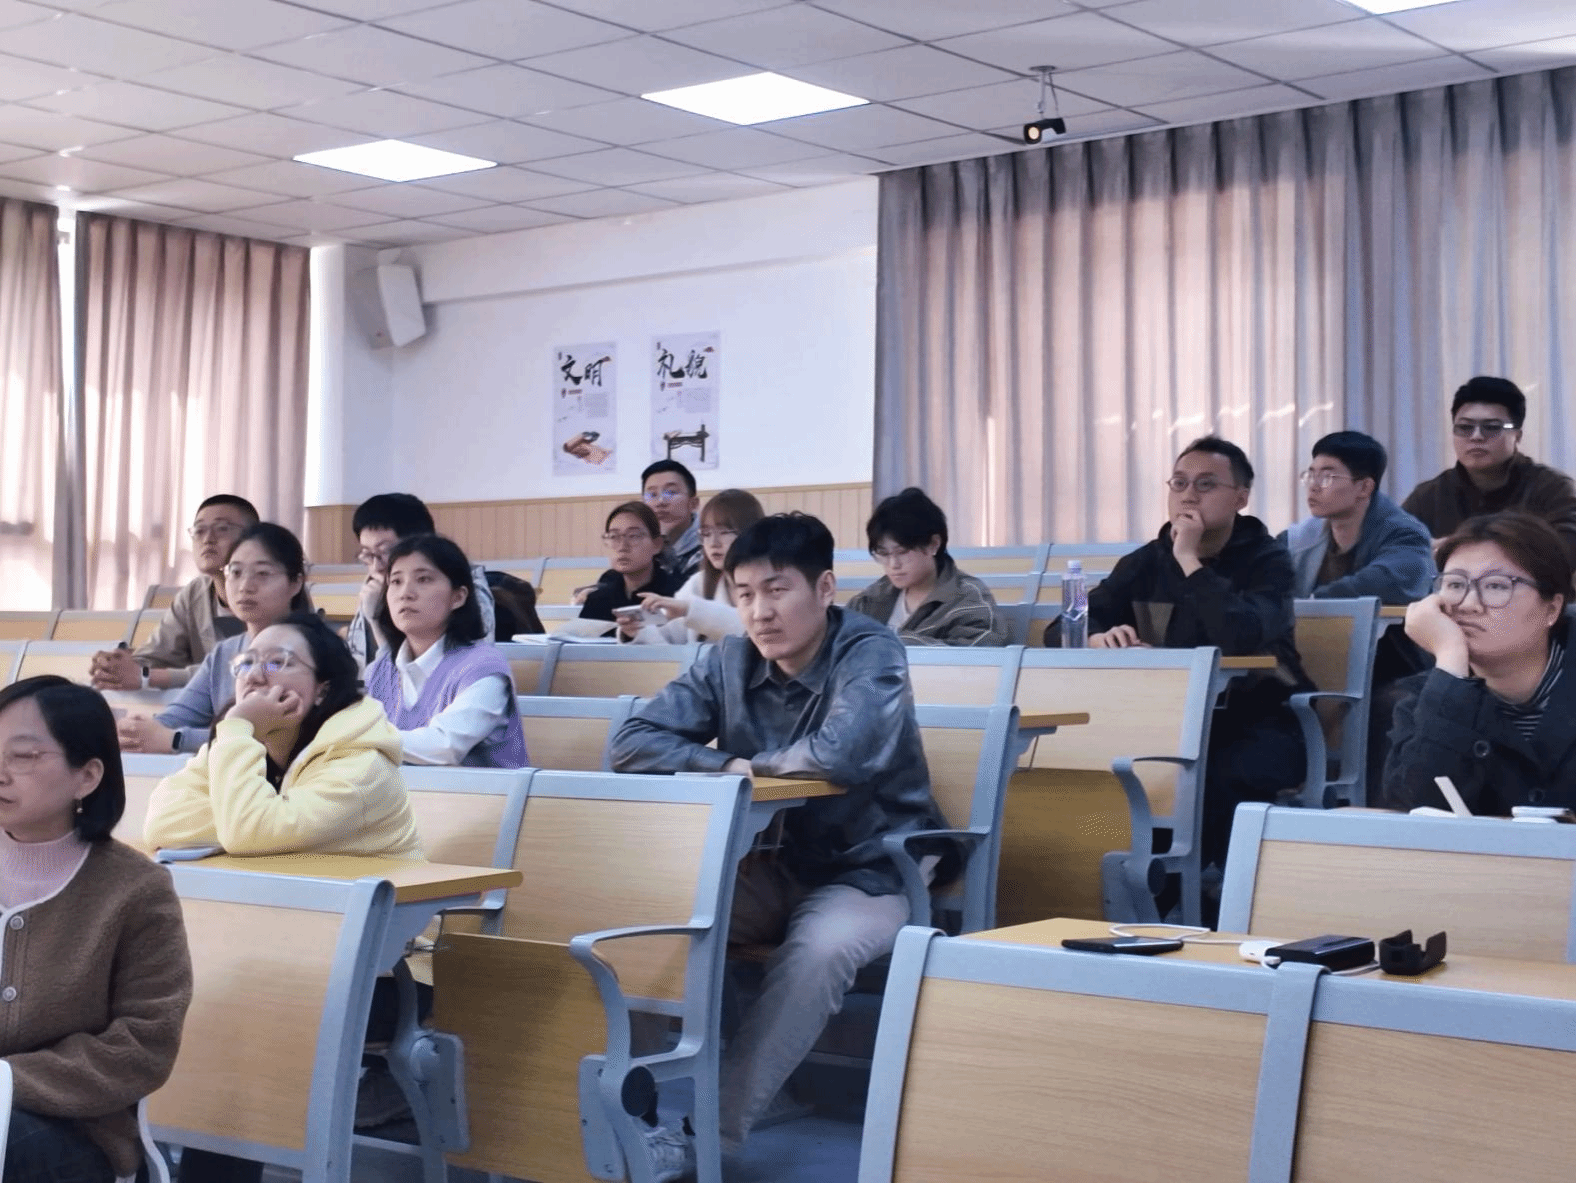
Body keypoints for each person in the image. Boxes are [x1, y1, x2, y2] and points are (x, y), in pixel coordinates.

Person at [609, 513, 955, 1178]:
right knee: (642, 929)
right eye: (743, 594)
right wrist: (723, 765)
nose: (759, 612)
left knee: (817, 952)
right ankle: (637, 1122)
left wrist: (744, 764)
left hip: (876, 866)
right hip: (771, 863)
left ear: (824, 588)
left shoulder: (871, 650)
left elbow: (842, 755)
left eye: (776, 590)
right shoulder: (729, 659)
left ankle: (711, 1136)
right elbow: (630, 742)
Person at [1085, 436, 1313, 880]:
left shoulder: (1269, 561)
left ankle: (1198, 896)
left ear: (1241, 498)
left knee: (1208, 778)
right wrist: (1097, 636)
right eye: (1179, 483)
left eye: (1206, 484)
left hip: (1258, 722)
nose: (1188, 495)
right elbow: (1071, 622)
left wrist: (1189, 561)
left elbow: (1240, 634)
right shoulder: (1145, 561)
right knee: (1100, 772)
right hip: (1166, 724)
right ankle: (1136, 890)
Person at [0, 676, 192, 1183]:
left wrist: (6, 1081)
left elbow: (143, 1043)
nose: (0, 771)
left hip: (78, 1130)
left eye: (23, 756)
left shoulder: (136, 890)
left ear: (86, 776)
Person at [143, 611, 422, 858]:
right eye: (246, 663)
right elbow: (162, 822)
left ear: (323, 689)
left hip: (381, 901)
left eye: (277, 662)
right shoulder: (238, 741)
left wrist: (239, 724)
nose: (253, 676)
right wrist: (243, 821)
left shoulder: (363, 764)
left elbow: (247, 832)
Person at [1382, 512, 1576, 814]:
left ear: (1552, 609)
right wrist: (1450, 658)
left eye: (1496, 586)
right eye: (1455, 585)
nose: (1469, 605)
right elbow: (1416, 811)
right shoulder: (1426, 699)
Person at [117, 522, 314, 756]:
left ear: (296, 583)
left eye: (262, 574)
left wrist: (177, 740)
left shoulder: (309, 651)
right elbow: (177, 717)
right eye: (236, 573)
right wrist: (135, 730)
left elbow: (276, 734)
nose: (245, 587)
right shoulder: (226, 652)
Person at [365, 534, 527, 768]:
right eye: (396, 581)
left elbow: (444, 746)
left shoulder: (483, 668)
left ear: (458, 597)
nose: (405, 593)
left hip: (478, 792)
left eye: (423, 579)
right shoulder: (379, 671)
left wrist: (358, 738)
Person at [89, 494, 258, 692]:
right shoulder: (195, 593)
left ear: (254, 538)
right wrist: (116, 664)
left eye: (222, 529)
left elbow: (265, 668)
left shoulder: (272, 593)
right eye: (199, 530)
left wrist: (150, 676)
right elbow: (158, 656)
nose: (207, 539)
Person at [1402, 376, 1576, 560]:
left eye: (1491, 427)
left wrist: (1461, 548)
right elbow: (1391, 548)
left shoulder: (1553, 489)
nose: (1476, 436)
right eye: (1465, 427)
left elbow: (1568, 549)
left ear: (1517, 436)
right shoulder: (1429, 496)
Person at [1280, 432, 1436, 604]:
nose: (1313, 487)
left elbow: (1385, 582)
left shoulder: (1407, 535)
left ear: (1364, 488)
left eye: (1326, 477)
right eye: (1310, 476)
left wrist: (1312, 603)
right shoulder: (1300, 538)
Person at [346, 493, 495, 669]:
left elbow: (410, 675)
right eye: (367, 554)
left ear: (419, 542)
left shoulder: (465, 589)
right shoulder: (374, 588)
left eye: (385, 551)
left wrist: (376, 621)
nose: (376, 566)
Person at [846, 487, 1008, 646]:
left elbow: (981, 652)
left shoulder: (967, 597)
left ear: (933, 544)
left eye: (902, 552)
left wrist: (894, 642)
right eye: (883, 554)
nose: (893, 564)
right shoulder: (872, 598)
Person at [622, 488, 764, 645]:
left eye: (724, 532)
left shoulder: (769, 581)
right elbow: (668, 642)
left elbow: (753, 631)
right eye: (706, 534)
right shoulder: (698, 583)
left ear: (750, 533)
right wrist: (636, 632)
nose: (713, 543)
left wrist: (690, 610)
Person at [580, 501, 685, 623]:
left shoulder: (678, 595)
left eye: (633, 536)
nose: (622, 547)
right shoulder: (597, 599)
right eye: (614, 536)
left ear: (657, 544)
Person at [642, 460, 703, 580]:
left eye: (671, 492)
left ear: (693, 504)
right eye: (652, 495)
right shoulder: (638, 549)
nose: (660, 502)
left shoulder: (713, 549)